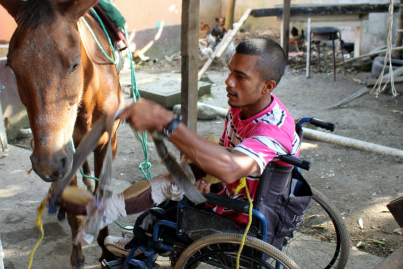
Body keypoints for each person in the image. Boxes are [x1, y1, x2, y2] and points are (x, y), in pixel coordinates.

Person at [61, 37, 302, 255]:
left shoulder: (272, 130)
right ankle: (111, 214)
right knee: (180, 175)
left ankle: (117, 221)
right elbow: (224, 151)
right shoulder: (243, 107)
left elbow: (230, 167)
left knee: (160, 208)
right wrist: (207, 178)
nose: (228, 82)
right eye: (230, 72)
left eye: (240, 76)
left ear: (267, 86)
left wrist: (165, 121)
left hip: (244, 214)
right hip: (234, 188)